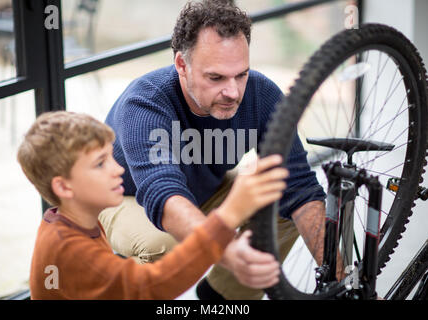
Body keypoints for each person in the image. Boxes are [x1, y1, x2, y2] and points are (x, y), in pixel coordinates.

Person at [100, 0, 328, 300]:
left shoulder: (261, 95)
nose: (233, 92)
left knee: (282, 196)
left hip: (204, 189)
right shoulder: (146, 103)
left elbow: (300, 186)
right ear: (182, 65)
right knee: (165, 243)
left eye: (241, 74)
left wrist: (343, 278)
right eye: (216, 77)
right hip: (125, 197)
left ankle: (222, 296)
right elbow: (163, 193)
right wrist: (227, 249)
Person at [17, 111, 288, 299]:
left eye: (112, 157)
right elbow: (151, 286)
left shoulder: (71, 221)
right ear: (64, 187)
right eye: (100, 163)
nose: (117, 169)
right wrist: (228, 215)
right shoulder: (69, 249)